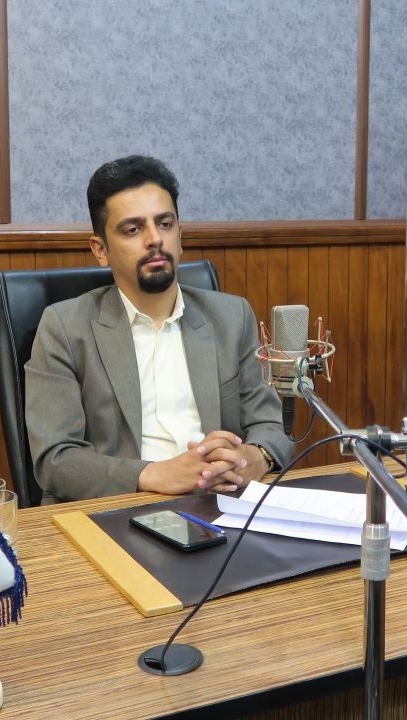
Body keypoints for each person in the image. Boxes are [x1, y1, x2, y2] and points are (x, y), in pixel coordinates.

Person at [25, 155, 293, 503]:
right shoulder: (64, 327)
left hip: (220, 503)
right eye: (133, 229)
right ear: (101, 250)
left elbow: (270, 426)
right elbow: (55, 460)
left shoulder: (231, 317)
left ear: (180, 236)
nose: (155, 239)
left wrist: (255, 457)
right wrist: (153, 474)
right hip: (119, 509)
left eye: (165, 224)